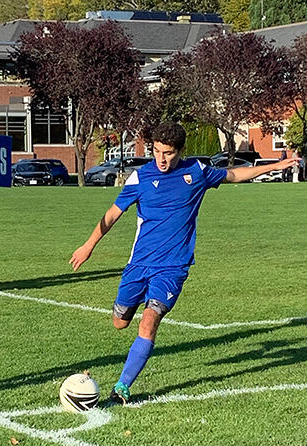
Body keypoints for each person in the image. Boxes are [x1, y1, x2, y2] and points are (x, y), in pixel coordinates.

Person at [69, 121, 299, 404]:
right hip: (139, 264)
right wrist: (88, 246)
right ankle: (127, 331)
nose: (161, 159)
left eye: (167, 153)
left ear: (180, 151)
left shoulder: (196, 172)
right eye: (156, 151)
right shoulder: (140, 178)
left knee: (150, 321)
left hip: (173, 267)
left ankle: (122, 388)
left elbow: (234, 174)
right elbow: (113, 213)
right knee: (119, 322)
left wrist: (272, 167)